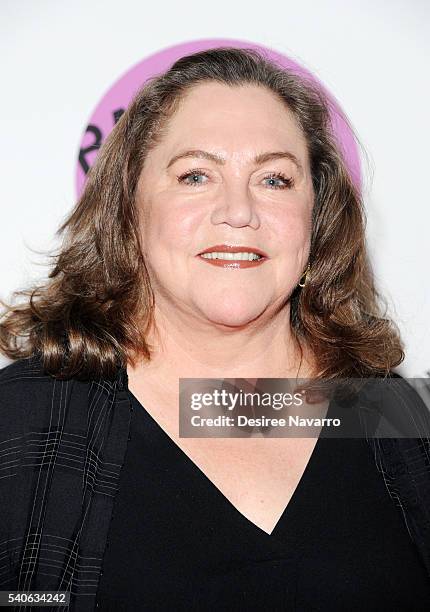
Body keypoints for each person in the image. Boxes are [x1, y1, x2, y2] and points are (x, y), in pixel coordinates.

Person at [0, 46, 429, 611]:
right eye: (196, 174)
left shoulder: (390, 414)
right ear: (129, 206)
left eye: (274, 179)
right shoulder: (22, 425)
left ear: (317, 216)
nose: (238, 211)